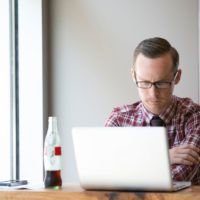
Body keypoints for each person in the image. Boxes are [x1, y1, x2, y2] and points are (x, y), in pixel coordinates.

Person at [105, 37, 200, 185]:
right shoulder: (118, 120)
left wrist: (128, 161)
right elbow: (106, 173)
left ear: (177, 77)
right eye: (144, 83)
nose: (153, 93)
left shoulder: (193, 116)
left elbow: (178, 177)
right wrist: (163, 156)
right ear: (133, 76)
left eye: (162, 83)